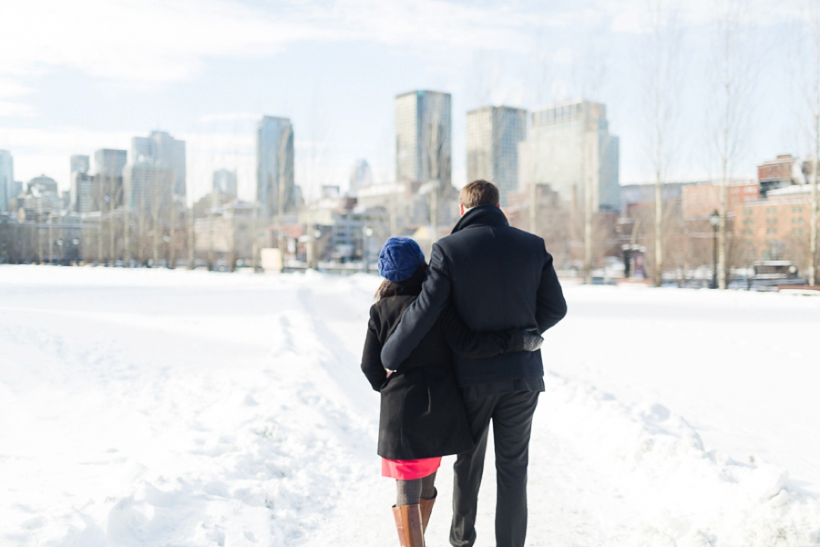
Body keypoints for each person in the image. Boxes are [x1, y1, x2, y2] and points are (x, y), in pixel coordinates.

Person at [380, 180, 567, 547]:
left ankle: (462, 541)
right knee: (514, 469)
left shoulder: (449, 250)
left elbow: (424, 311)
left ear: (462, 211)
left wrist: (391, 354)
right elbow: (556, 308)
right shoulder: (532, 246)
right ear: (501, 208)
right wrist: (522, 335)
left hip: (472, 377)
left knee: (468, 465)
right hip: (524, 375)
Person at [361, 236, 542, 547]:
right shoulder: (437, 307)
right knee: (428, 481)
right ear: (421, 266)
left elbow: (370, 366)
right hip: (437, 407)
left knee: (407, 487)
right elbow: (467, 345)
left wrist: (389, 388)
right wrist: (516, 341)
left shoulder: (379, 311)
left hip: (400, 411)